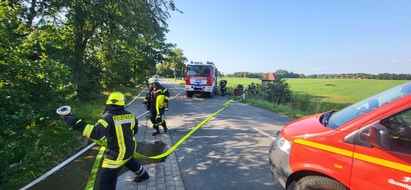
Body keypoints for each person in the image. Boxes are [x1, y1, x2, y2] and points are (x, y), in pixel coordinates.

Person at [61, 92, 150, 189]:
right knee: (128, 160)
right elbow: (134, 131)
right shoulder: (131, 116)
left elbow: (95, 133)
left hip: (117, 154)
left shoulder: (108, 117)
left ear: (108, 103)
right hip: (130, 148)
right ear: (122, 103)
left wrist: (73, 121)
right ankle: (144, 175)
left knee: (107, 181)